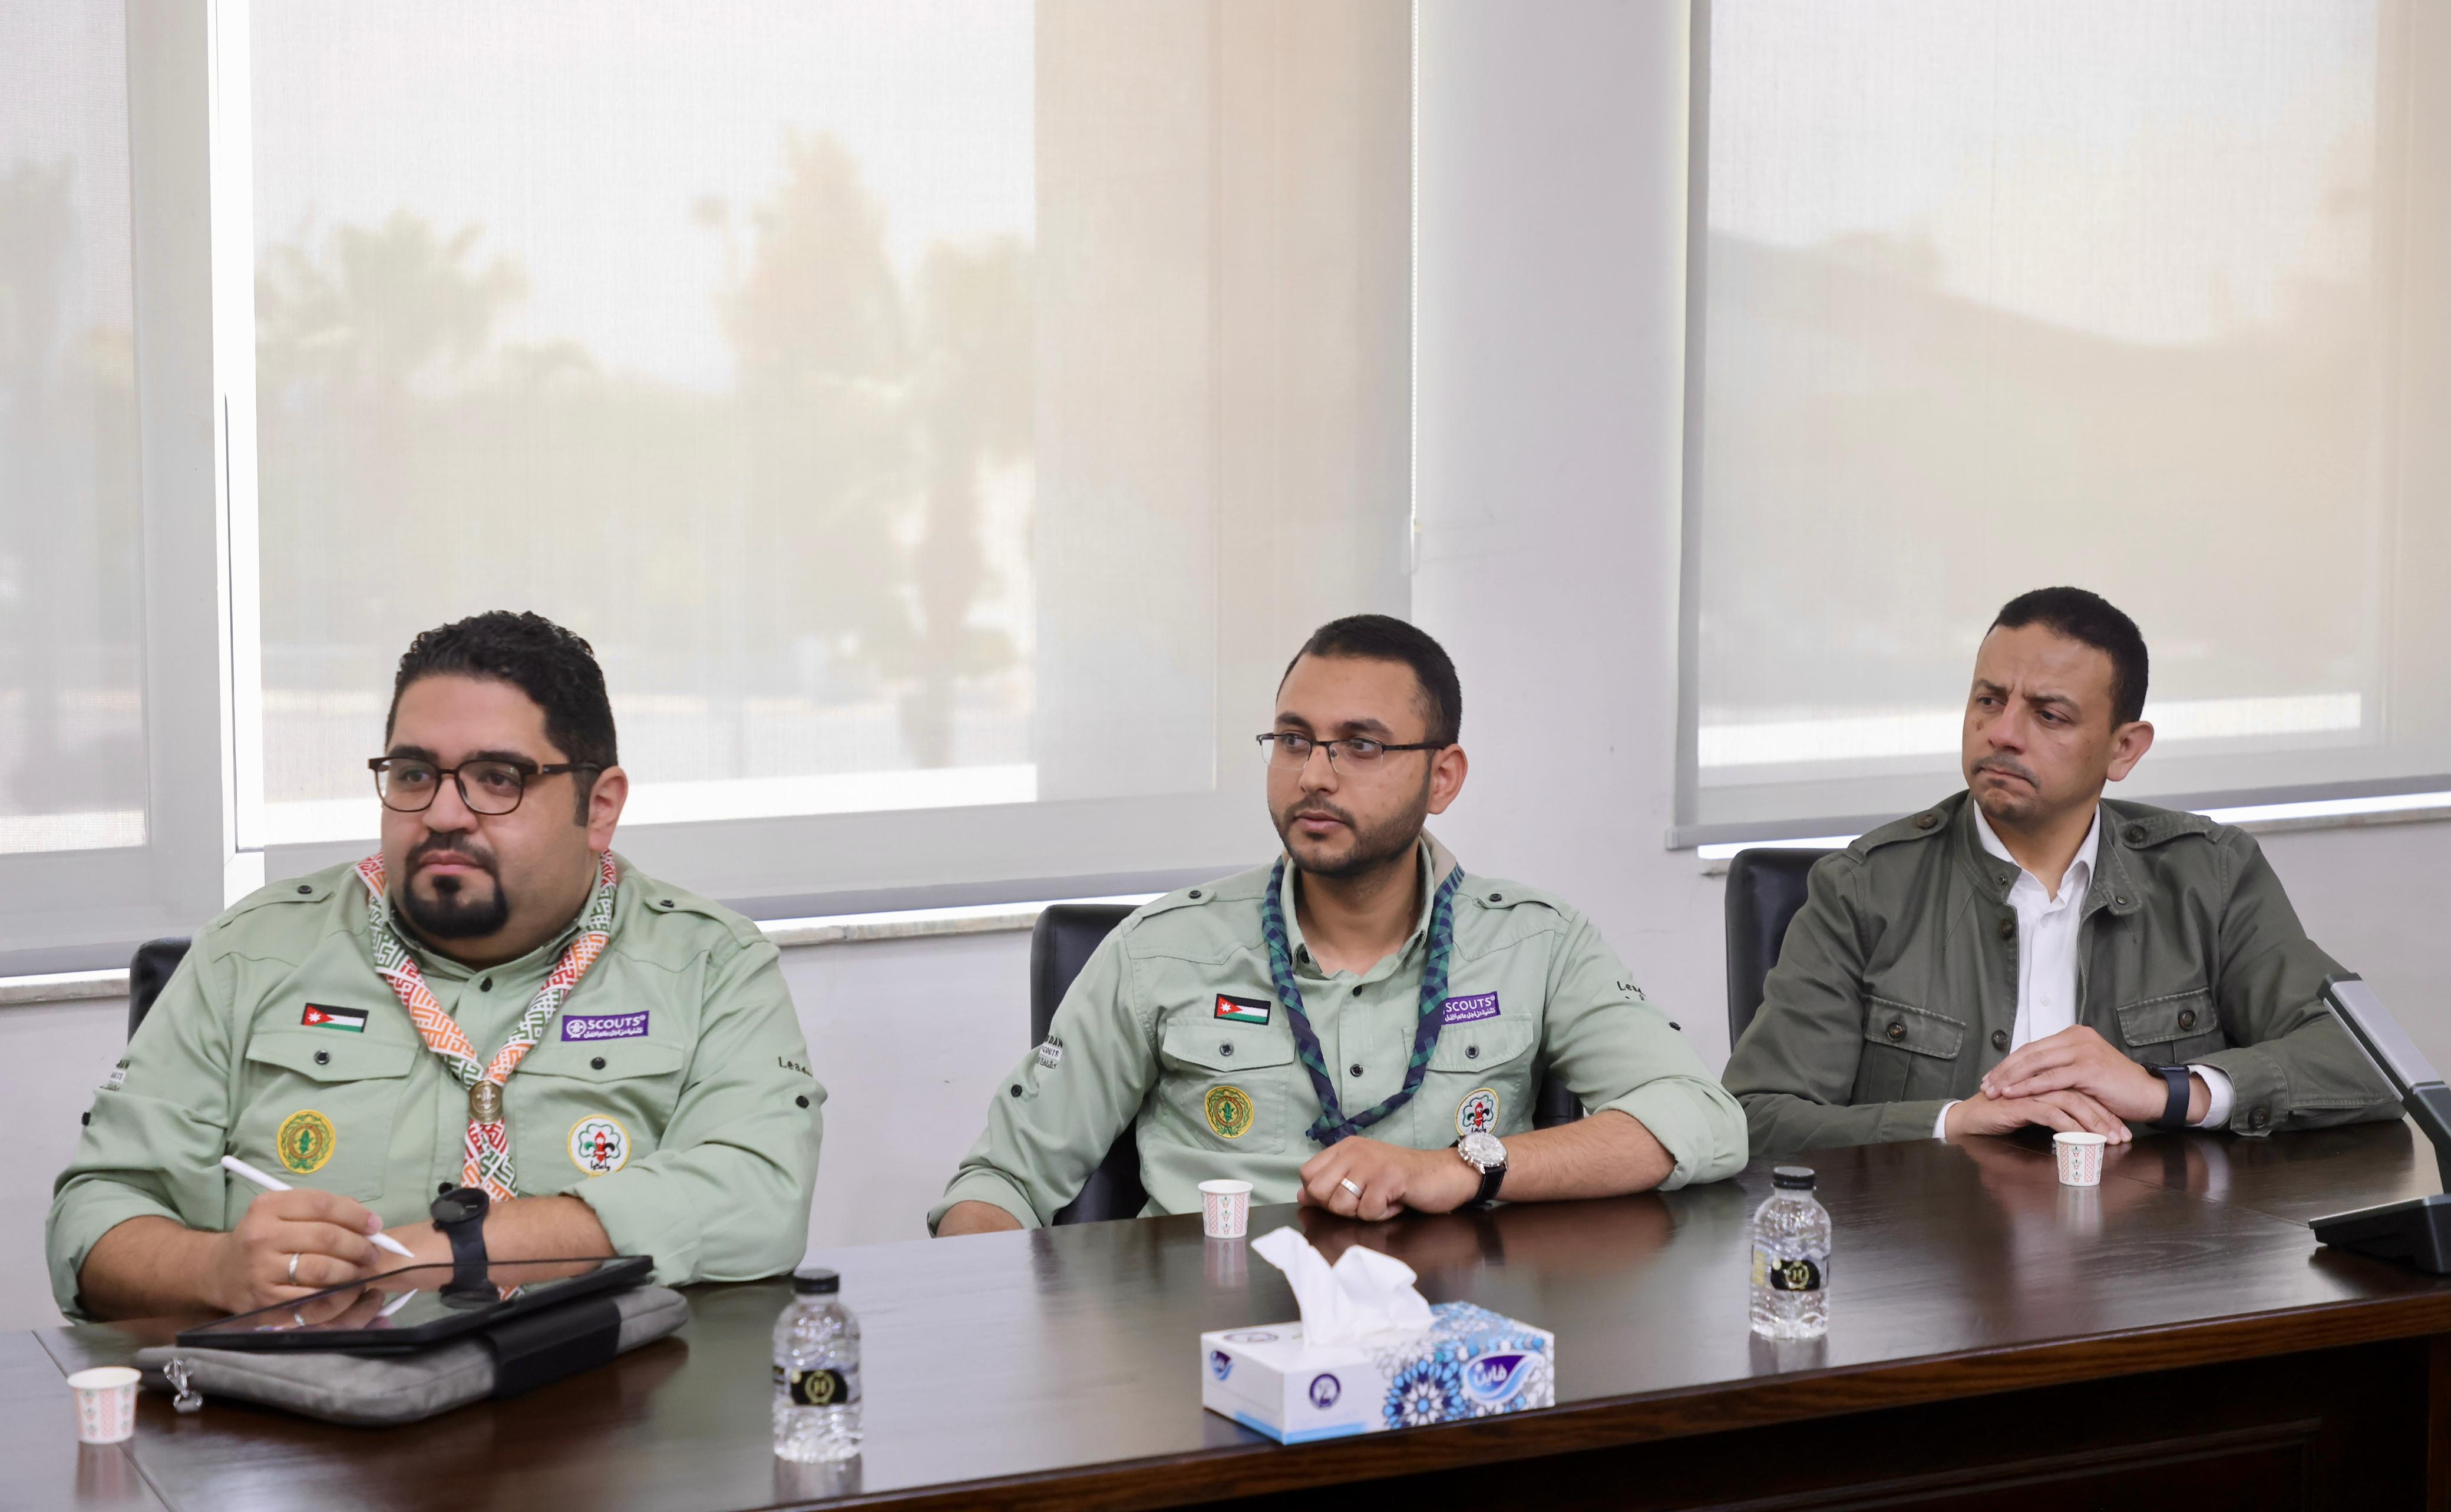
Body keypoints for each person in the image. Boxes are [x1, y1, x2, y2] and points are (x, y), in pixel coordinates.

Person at [48, 611, 823, 1321]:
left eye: (498, 778)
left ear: (600, 806)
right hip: (312, 1408)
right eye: (415, 774)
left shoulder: (710, 964)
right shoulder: (250, 954)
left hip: (608, 1408)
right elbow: (94, 1218)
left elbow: (759, 1197)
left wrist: (460, 1249)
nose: (444, 813)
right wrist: (214, 1268)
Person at [931, 614, 1746, 1235]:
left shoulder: (1536, 944)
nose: (1314, 775)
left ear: (1442, 776)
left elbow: (1701, 1117)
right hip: (1205, 1344)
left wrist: (1464, 1166)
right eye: (1293, 739)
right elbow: (999, 1181)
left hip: (1452, 1350)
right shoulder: (1161, 953)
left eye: (1360, 746)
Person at [1722, 587, 2400, 1157]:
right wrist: (1952, 1120)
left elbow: (2372, 1060)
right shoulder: (1862, 886)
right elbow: (1757, 1114)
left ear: (2123, 749)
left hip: (2156, 1249)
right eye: (1989, 700)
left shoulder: (2208, 874)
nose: (2002, 733)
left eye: (2047, 714)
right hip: (1932, 1252)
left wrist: (2167, 1091)